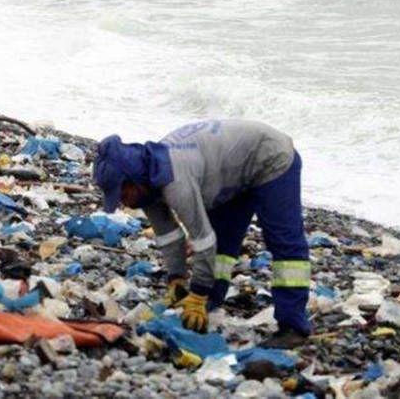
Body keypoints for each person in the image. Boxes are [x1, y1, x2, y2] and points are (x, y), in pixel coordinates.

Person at [93, 119, 311, 349]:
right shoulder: (147, 181)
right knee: (223, 241)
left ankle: (293, 326)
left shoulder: (176, 182)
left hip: (269, 157)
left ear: (134, 182)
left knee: (283, 241)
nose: (120, 203)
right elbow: (168, 236)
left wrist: (196, 293)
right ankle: (211, 299)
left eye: (121, 194)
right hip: (231, 172)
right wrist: (176, 278)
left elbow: (203, 241)